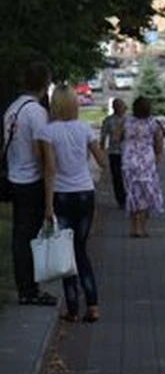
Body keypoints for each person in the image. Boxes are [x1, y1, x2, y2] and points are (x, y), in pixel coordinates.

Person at [41, 85, 107, 322]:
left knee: (67, 252)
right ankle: (93, 304)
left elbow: (49, 169)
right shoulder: (85, 129)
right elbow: (101, 160)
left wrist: (48, 206)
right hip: (85, 193)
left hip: (62, 195)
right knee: (81, 249)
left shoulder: (48, 132)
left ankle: (72, 307)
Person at [2, 60, 56, 306]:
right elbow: (39, 150)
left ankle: (25, 286)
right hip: (31, 179)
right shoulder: (36, 112)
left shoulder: (13, 108)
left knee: (19, 236)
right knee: (30, 236)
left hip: (14, 176)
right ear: (45, 84)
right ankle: (29, 289)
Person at [121, 95, 164, 237]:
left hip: (129, 162)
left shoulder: (126, 122)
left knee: (132, 194)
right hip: (147, 162)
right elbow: (159, 144)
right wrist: (157, 159)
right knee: (146, 195)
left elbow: (116, 137)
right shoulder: (153, 123)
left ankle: (133, 228)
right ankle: (142, 228)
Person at [99, 98, 127, 208]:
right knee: (117, 177)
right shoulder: (108, 120)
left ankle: (130, 196)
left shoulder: (129, 120)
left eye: (122, 106)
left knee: (128, 176)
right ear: (114, 108)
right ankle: (121, 199)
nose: (122, 108)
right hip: (114, 152)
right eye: (119, 106)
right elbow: (103, 136)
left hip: (127, 152)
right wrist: (102, 152)